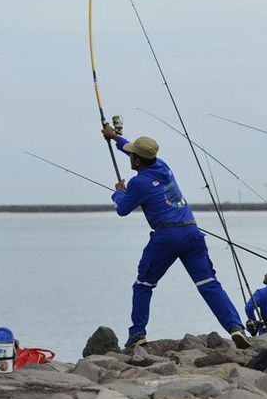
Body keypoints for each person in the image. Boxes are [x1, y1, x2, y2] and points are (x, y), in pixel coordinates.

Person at [101, 124, 250, 349]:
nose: (130, 156)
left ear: (138, 161)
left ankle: (137, 334)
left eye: (132, 155)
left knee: (143, 284)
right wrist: (116, 138)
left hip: (166, 236)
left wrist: (118, 193)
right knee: (209, 282)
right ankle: (235, 327)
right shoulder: (163, 166)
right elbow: (136, 152)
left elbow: (122, 209)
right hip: (192, 232)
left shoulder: (138, 183)